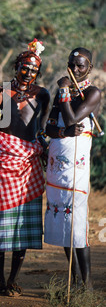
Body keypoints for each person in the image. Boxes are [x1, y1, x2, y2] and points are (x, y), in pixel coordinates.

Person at [0, 39, 50, 297]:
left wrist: (44, 150)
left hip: (28, 164)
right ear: (16, 67)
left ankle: (12, 280)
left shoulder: (42, 94)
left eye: (33, 69)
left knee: (23, 224)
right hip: (4, 160)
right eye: (25, 67)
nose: (29, 72)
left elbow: (41, 130)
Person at [44, 47, 101, 290]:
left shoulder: (92, 93)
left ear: (89, 68)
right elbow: (49, 128)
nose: (76, 69)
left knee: (77, 224)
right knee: (63, 223)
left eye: (81, 66)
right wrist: (63, 133)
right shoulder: (61, 95)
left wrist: (65, 90)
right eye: (72, 64)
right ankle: (74, 279)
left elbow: (70, 119)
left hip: (76, 171)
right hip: (57, 167)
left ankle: (86, 285)